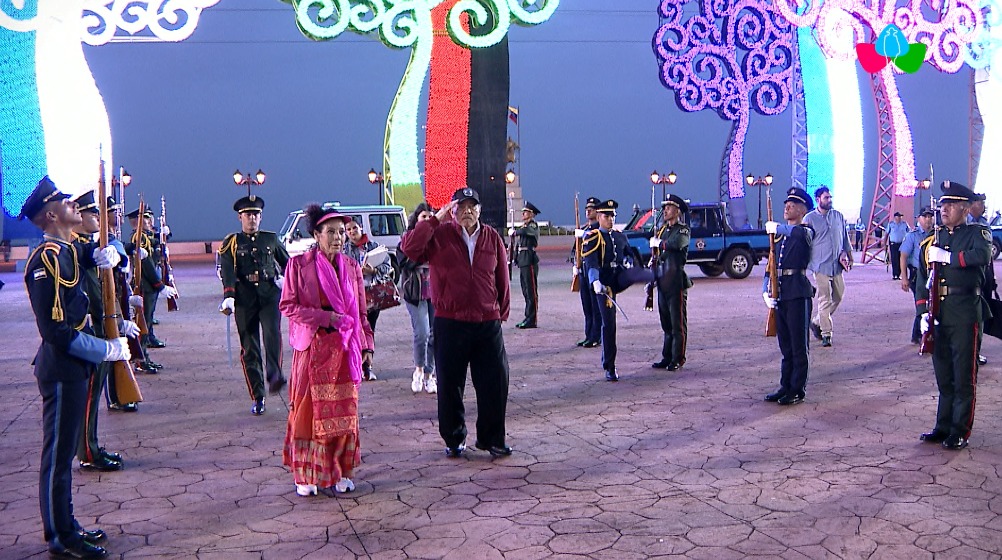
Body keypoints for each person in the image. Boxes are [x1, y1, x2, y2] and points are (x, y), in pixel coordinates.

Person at [21, 176, 129, 559]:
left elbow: (109, 241)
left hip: (76, 366)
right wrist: (105, 349)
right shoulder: (45, 260)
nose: (74, 208)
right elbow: (55, 332)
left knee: (65, 452)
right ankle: (59, 535)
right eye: (65, 203)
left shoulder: (69, 249)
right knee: (58, 456)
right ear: (51, 215)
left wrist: (114, 251)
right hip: (63, 367)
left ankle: (68, 524)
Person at [401, 187, 513, 459]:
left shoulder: (491, 237)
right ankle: (454, 438)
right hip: (451, 322)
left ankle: (492, 438)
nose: (468, 211)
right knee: (451, 384)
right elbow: (410, 248)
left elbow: (502, 276)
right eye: (461, 207)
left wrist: (502, 311)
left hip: (487, 321)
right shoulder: (440, 235)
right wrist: (435, 219)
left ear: (480, 209)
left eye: (473, 206)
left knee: (496, 381)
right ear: (452, 210)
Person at [279, 204, 373, 496]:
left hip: (345, 350)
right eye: (330, 232)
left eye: (342, 232)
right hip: (312, 349)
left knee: (344, 412)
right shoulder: (298, 266)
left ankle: (340, 471)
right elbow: (288, 306)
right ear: (316, 234)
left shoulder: (352, 267)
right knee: (307, 411)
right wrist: (325, 317)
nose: (338, 237)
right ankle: (306, 475)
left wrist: (367, 344)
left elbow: (360, 311)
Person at [915, 181, 992, 450]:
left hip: (964, 310)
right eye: (942, 205)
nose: (944, 210)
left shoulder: (977, 233)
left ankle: (960, 429)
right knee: (944, 373)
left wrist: (949, 258)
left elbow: (981, 256)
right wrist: (923, 312)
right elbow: (922, 279)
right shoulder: (933, 239)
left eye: (950, 206)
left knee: (963, 375)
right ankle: (943, 425)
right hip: (940, 313)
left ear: (964, 208)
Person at [71, 191, 139, 472]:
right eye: (93, 214)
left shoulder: (87, 246)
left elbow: (112, 246)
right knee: (87, 396)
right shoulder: (70, 249)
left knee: (93, 392)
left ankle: (91, 446)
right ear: (79, 216)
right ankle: (88, 450)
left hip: (98, 325)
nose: (99, 219)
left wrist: (117, 253)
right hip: (84, 330)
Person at [218, 195, 290, 415]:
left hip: (269, 294)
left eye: (256, 215)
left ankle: (274, 374)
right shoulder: (231, 242)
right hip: (244, 297)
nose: (252, 219)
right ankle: (258, 396)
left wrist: (287, 281)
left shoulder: (271, 239)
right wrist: (229, 295)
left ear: (261, 217)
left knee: (272, 336)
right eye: (248, 215)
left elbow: (288, 263)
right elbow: (228, 270)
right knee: (250, 347)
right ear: (240, 217)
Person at [582, 199, 653, 382]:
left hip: (619, 277)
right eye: (607, 216)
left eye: (613, 216)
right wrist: (595, 281)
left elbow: (630, 253)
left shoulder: (620, 236)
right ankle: (609, 366)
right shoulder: (593, 236)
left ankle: (652, 279)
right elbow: (591, 262)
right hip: (604, 285)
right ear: (599, 217)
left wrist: (632, 264)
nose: (610, 220)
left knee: (637, 273)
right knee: (609, 324)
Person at [762, 187, 816, 406]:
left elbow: (802, 235)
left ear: (802, 210)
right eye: (786, 204)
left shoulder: (805, 231)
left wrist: (779, 228)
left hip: (798, 292)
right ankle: (785, 385)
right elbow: (771, 265)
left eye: (792, 205)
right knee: (785, 345)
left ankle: (797, 389)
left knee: (798, 345)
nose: (787, 207)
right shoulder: (780, 238)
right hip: (782, 293)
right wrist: (766, 290)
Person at [343, 219, 393, 380]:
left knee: (369, 329)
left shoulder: (374, 246)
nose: (351, 232)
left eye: (354, 228)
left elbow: (387, 266)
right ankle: (355, 364)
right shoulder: (344, 250)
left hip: (372, 294)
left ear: (361, 228)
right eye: (348, 229)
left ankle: (368, 366)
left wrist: (373, 271)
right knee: (354, 330)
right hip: (352, 296)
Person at [804, 186, 852, 347]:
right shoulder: (809, 219)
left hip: (836, 265)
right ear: (818, 199)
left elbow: (845, 239)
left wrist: (849, 256)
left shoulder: (838, 216)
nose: (829, 200)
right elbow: (805, 243)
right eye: (826, 198)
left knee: (838, 296)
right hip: (820, 266)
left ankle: (817, 321)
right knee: (824, 300)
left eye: (830, 197)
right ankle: (826, 334)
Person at [397, 203, 437, 394]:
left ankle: (430, 374)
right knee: (422, 333)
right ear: (416, 220)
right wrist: (421, 258)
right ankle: (419, 369)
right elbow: (403, 261)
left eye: (431, 217)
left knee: (435, 335)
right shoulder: (407, 239)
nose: (427, 220)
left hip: (436, 292)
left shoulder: (438, 239)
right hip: (415, 292)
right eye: (423, 217)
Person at [651, 194, 692, 371]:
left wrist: (659, 244)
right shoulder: (663, 230)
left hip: (676, 282)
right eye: (665, 208)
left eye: (668, 208)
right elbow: (659, 256)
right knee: (666, 323)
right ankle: (666, 357)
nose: (665, 211)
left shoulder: (682, 230)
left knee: (677, 324)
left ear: (677, 211)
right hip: (663, 281)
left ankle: (678, 358)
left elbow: (677, 244)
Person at [125, 208, 176, 348]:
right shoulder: (139, 238)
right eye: (146, 218)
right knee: (144, 317)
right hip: (145, 282)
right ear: (137, 221)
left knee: (149, 315)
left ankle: (148, 340)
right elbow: (145, 263)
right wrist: (159, 284)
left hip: (150, 281)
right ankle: (142, 351)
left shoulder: (145, 236)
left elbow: (157, 241)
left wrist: (166, 235)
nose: (150, 221)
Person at [899, 207, 935, 344]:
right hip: (917, 275)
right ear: (918, 218)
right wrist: (904, 278)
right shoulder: (912, 236)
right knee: (922, 304)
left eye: (930, 216)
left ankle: (921, 334)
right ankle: (920, 335)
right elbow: (903, 256)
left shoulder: (936, 234)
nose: (928, 219)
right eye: (925, 216)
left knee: (931, 304)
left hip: (932, 274)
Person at [968, 193, 993, 366]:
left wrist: (992, 277)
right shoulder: (965, 223)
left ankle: (976, 352)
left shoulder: (984, 222)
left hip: (984, 275)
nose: (983, 205)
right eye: (980, 202)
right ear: (971, 204)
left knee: (980, 317)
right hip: (968, 277)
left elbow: (988, 255)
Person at [573, 197, 602, 347]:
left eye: (591, 208)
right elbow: (576, 250)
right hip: (583, 272)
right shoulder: (584, 229)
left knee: (595, 306)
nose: (588, 210)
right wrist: (575, 265)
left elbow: (595, 239)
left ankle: (596, 336)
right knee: (587, 307)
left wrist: (583, 235)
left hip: (594, 272)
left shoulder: (598, 229)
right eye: (587, 208)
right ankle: (588, 334)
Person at [510, 202, 541, 328]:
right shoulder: (524, 226)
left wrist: (516, 232)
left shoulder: (532, 225)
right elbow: (518, 245)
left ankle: (532, 319)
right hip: (523, 259)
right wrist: (515, 258)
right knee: (525, 290)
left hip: (529, 259)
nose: (523, 214)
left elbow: (528, 232)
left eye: (526, 212)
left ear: (531, 214)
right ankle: (528, 316)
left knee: (531, 290)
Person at [886, 212, 909, 280]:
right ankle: (895, 274)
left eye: (900, 216)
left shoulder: (904, 224)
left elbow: (909, 232)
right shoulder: (891, 224)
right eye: (898, 216)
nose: (900, 218)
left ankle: (899, 274)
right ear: (895, 217)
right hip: (893, 244)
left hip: (902, 243)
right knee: (894, 259)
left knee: (901, 258)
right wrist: (885, 244)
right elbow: (886, 234)